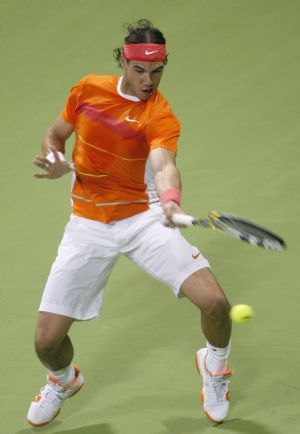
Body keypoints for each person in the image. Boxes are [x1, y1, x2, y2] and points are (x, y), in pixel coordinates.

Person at [27, 19, 233, 427]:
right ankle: (64, 381)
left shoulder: (160, 113)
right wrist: (55, 160)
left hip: (144, 217)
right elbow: (54, 134)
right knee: (46, 342)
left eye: (157, 71)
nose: (148, 81)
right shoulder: (88, 89)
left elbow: (163, 164)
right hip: (88, 221)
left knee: (216, 304)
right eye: (139, 70)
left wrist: (170, 200)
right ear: (123, 60)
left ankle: (215, 367)